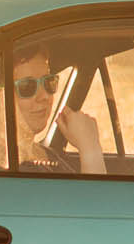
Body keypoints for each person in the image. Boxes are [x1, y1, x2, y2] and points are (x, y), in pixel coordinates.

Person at [11, 41, 108, 174]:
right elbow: (96, 195)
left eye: (48, 82)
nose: (44, 96)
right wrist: (90, 148)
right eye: (27, 86)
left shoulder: (46, 155)